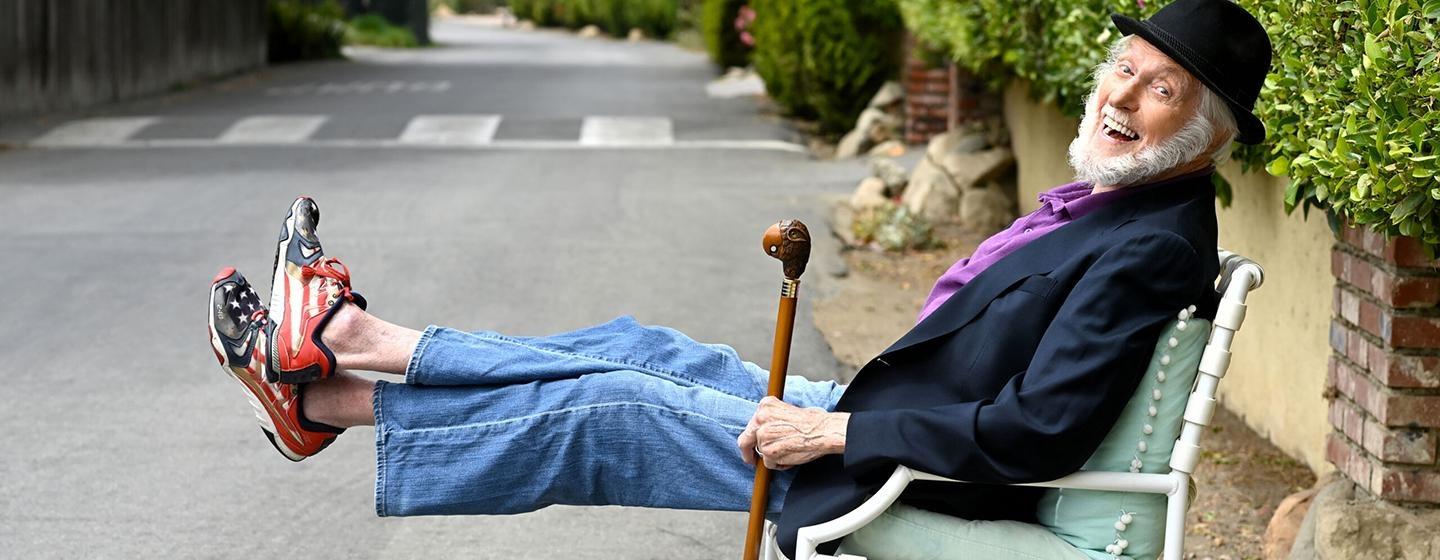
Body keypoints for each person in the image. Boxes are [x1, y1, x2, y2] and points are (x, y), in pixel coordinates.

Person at [204, 0, 1272, 556]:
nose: (1123, 93)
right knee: (636, 347)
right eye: (1125, 66)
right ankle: (347, 360)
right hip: (901, 418)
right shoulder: (1125, 204)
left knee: (612, 405)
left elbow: (1038, 428)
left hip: (909, 465)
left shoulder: (1145, 243)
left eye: (1164, 88)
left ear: (1207, 133)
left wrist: (833, 433)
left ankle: (334, 376)